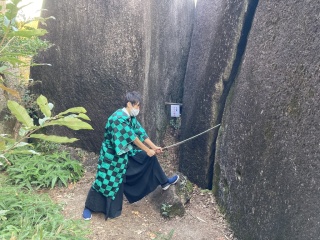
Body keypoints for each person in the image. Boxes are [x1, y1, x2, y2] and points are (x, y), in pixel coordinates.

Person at [82, 91, 179, 220]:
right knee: (104, 182)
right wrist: (147, 149)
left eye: (139, 106)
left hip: (126, 152)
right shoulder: (117, 119)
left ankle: (164, 182)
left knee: (148, 157)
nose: (138, 109)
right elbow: (133, 138)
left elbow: (140, 133)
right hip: (112, 157)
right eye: (137, 106)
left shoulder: (130, 117)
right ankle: (89, 207)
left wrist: (154, 147)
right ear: (129, 104)